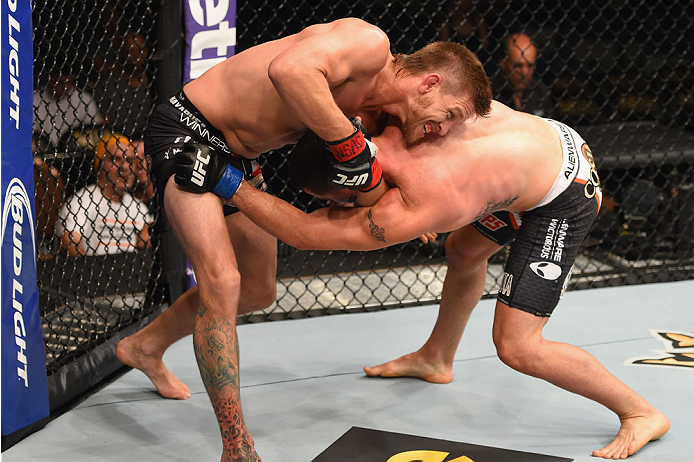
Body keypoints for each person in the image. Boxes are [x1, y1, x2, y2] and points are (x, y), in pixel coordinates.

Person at [192, 101, 670, 459]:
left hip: (563, 193)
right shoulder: (387, 117)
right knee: (464, 249)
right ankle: (437, 357)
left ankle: (640, 411)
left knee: (518, 345)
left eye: (336, 200)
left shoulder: (411, 205)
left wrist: (228, 182)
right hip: (538, 145)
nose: (337, 210)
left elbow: (304, 233)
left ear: (354, 183)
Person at [115, 17, 492, 461]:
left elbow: (345, 178)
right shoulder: (369, 45)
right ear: (429, 83)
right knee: (223, 280)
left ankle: (144, 345)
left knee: (259, 289)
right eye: (449, 115)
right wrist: (350, 142)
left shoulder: (381, 117)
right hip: (189, 132)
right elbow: (288, 71)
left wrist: (405, 205)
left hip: (240, 158)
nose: (442, 129)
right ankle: (237, 449)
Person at [56, 133, 151, 257]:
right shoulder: (81, 202)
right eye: (115, 159)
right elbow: (70, 242)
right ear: (99, 164)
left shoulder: (139, 208)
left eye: (129, 160)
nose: (124, 167)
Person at [33, 69, 104, 146]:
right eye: (60, 82)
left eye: (69, 83)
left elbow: (92, 132)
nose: (65, 87)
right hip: (44, 149)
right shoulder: (35, 99)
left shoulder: (84, 100)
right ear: (51, 80)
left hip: (75, 148)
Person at [493, 32, 554, 117]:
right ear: (503, 63)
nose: (524, 72)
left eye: (530, 65)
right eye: (517, 66)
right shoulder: (490, 94)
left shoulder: (541, 92)